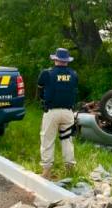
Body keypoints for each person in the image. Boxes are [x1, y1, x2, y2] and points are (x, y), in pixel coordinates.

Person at [37, 48, 78, 179]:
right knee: (67, 140)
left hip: (51, 112)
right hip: (68, 113)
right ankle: (70, 170)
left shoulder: (46, 73)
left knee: (47, 140)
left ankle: (47, 172)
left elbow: (40, 93)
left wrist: (44, 101)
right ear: (67, 61)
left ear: (55, 59)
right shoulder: (74, 74)